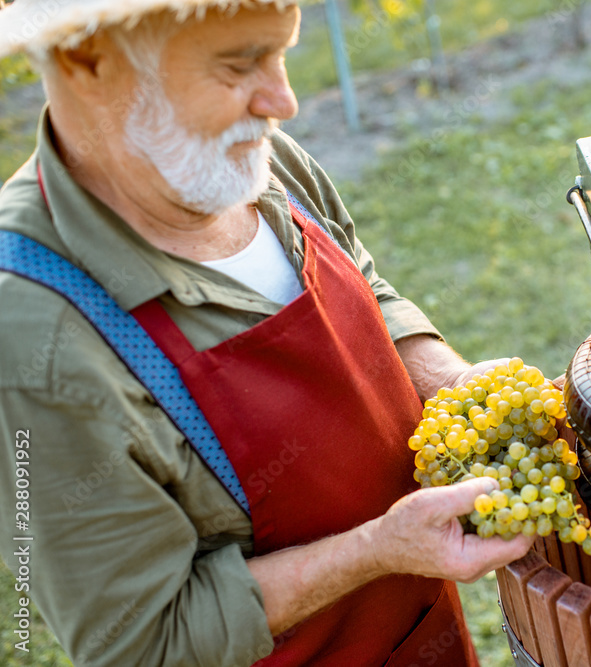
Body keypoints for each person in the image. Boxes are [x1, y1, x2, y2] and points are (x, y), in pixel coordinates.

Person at [0, 1, 536, 664]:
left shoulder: (254, 157)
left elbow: (366, 289)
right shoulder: (31, 333)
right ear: (86, 60)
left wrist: (451, 383)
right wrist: (376, 549)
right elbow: (143, 641)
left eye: (280, 54)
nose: (283, 100)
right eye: (240, 65)